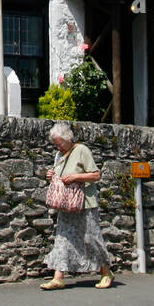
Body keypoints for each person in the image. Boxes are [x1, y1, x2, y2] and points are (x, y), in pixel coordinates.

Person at [40, 122, 113, 289]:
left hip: (85, 202)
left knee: (92, 237)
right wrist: (51, 175)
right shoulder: (59, 155)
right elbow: (58, 176)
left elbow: (96, 175)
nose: (57, 146)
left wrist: (75, 177)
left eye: (59, 142)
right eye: (55, 143)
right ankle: (58, 277)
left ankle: (106, 273)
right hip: (66, 203)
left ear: (68, 139)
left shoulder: (81, 150)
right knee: (63, 238)